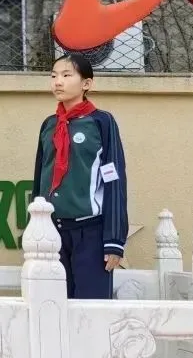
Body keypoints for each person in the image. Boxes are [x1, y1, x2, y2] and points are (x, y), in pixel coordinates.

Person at [33, 52, 128, 299]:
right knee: (53, 305)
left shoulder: (101, 122)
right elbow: (40, 178)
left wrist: (114, 239)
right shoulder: (49, 125)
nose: (58, 82)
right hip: (51, 232)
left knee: (91, 308)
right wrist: (35, 226)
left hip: (90, 232)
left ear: (86, 83)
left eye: (66, 75)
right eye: (53, 76)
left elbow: (114, 179)